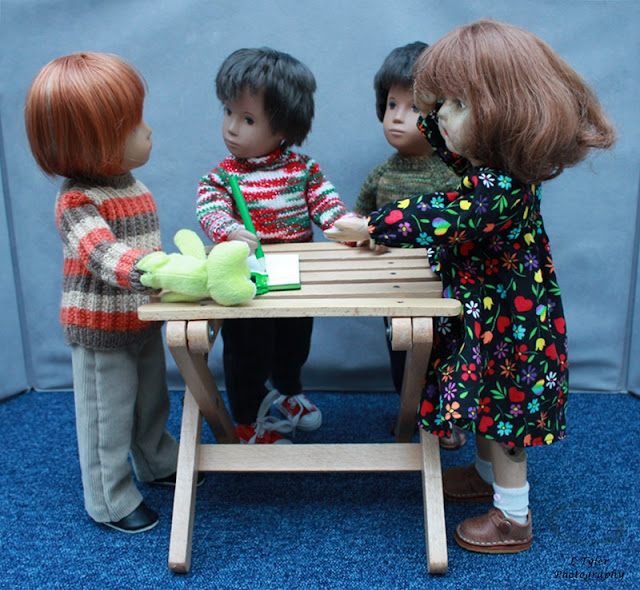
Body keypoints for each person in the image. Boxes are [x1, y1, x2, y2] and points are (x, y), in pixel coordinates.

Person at [326, 19, 615, 552]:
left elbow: (444, 213)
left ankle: (513, 518)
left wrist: (373, 225)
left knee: (505, 420)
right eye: (443, 103)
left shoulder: (500, 187)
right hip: (489, 316)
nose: (439, 117)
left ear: (506, 112)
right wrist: (434, 106)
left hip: (512, 328)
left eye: (456, 104)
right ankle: (484, 477)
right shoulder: (487, 169)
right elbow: (448, 153)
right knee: (485, 399)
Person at [24, 52, 184, 534]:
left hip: (141, 318)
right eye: (133, 125)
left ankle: (157, 459)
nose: (148, 131)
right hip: (99, 329)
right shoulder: (77, 200)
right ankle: (110, 498)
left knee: (151, 400)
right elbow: (99, 252)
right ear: (92, 143)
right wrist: (152, 269)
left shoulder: (131, 185)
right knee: (105, 417)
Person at [196, 47, 353, 444]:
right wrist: (229, 230)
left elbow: (329, 207)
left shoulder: (303, 170)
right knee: (246, 350)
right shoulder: (223, 176)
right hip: (247, 282)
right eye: (228, 112)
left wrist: (348, 227)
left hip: (295, 278)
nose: (232, 128)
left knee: (293, 342)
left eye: (248, 119)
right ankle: (247, 418)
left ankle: (286, 391)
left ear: (284, 126)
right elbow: (210, 208)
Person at [353, 42, 462, 449]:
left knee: (445, 351)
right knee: (401, 352)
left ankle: (447, 417)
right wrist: (365, 233)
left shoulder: (451, 175)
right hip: (393, 290)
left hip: (439, 287)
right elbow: (359, 219)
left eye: (413, 107)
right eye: (391, 105)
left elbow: (458, 227)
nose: (397, 118)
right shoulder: (382, 174)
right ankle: (411, 412)